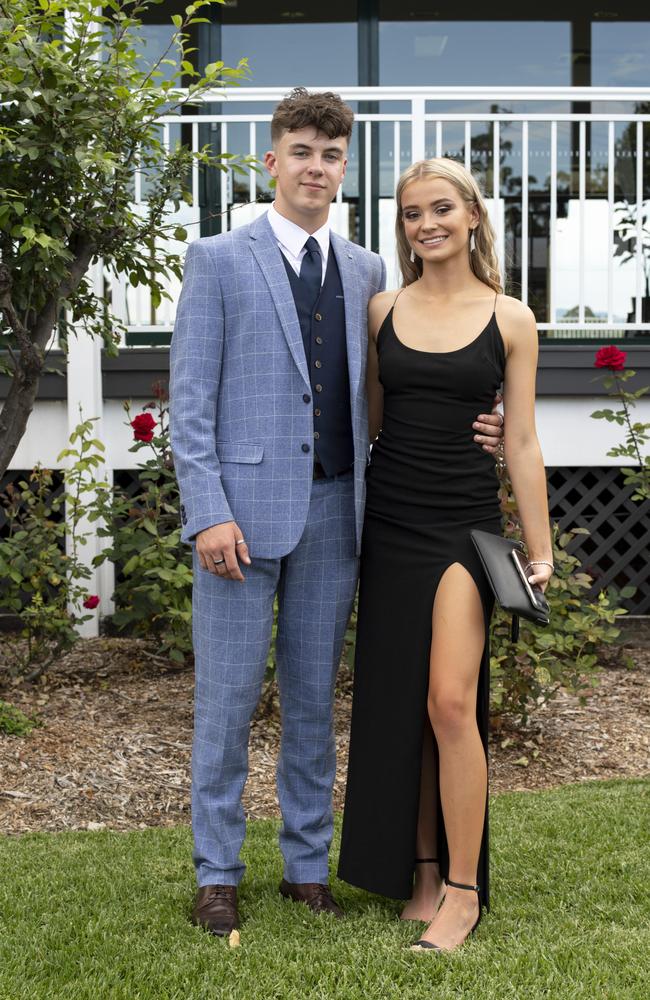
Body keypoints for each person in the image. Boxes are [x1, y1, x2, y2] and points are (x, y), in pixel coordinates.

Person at [170, 90, 504, 938]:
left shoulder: (365, 273)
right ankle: (217, 872)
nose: (315, 167)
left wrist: (487, 423)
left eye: (330, 155)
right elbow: (190, 402)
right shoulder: (217, 258)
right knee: (229, 702)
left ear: (341, 169)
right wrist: (207, 511)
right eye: (302, 150)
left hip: (340, 513)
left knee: (314, 700)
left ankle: (306, 867)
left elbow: (396, 380)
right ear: (272, 159)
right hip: (238, 523)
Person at [337, 158, 553, 953]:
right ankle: (421, 873)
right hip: (390, 522)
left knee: (451, 705)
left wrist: (542, 548)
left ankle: (463, 892)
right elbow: (373, 422)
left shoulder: (511, 318)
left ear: (471, 217)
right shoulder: (380, 309)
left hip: (464, 528)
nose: (423, 224)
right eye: (408, 214)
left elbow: (522, 440)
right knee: (403, 708)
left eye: (438, 209)